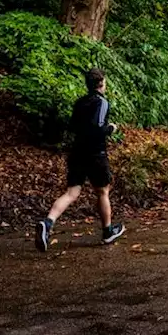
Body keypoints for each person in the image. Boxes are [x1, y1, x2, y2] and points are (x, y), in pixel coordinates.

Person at [37, 68, 125, 251]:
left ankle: (48, 222)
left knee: (71, 193)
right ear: (101, 83)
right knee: (102, 191)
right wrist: (110, 129)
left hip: (77, 152)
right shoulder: (102, 102)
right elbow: (97, 127)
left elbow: (73, 126)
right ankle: (107, 231)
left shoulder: (80, 102)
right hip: (95, 153)